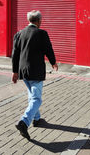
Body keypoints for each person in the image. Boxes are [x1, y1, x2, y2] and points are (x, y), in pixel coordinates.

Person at [12, 10, 58, 140]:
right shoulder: (41, 33)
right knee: (36, 99)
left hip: (23, 71)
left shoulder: (19, 34)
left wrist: (15, 72)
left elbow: (15, 54)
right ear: (39, 21)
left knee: (32, 96)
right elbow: (48, 49)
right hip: (36, 71)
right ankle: (24, 122)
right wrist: (53, 62)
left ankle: (36, 119)